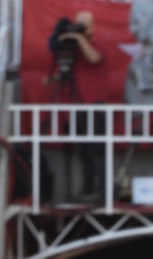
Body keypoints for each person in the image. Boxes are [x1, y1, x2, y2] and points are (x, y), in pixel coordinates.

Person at [48, 11, 106, 198]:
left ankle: (100, 190)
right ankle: (86, 188)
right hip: (76, 104)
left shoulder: (96, 42)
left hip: (95, 106)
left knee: (96, 150)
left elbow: (94, 58)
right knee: (82, 150)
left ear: (93, 26)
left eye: (84, 24)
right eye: (78, 23)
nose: (80, 27)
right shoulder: (73, 46)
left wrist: (78, 37)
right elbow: (63, 68)